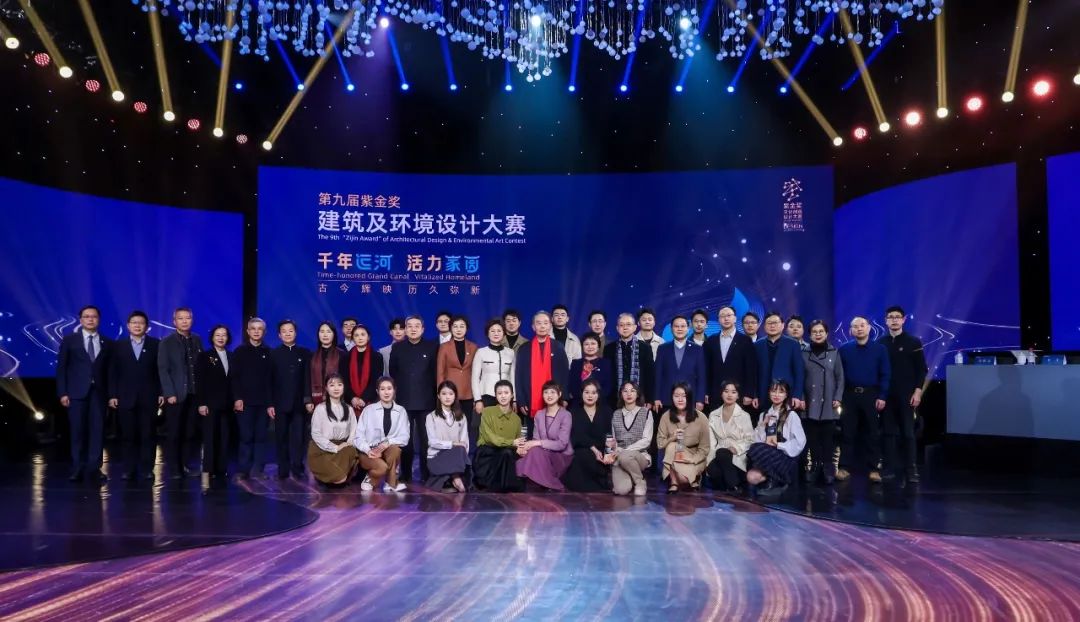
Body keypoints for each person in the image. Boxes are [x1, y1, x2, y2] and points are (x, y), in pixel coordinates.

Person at [57, 305, 111, 482]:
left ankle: (95, 468)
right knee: (77, 431)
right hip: (76, 392)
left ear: (99, 320)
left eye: (93, 316)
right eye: (86, 317)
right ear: (80, 320)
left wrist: (112, 394)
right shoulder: (69, 340)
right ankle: (77, 468)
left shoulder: (107, 342)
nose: (90, 319)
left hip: (99, 393)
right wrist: (63, 392)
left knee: (98, 431)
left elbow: (110, 371)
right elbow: (62, 368)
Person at [108, 310, 162, 481]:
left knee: (148, 435)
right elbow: (112, 372)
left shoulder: (156, 344)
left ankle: (147, 469)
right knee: (127, 436)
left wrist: (161, 392)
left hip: (149, 397)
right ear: (128, 325)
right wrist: (112, 394)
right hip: (125, 397)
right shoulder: (118, 346)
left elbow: (161, 371)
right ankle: (128, 469)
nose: (137, 325)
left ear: (147, 326)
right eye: (134, 322)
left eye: (141, 323)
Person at [837, 317, 891, 483]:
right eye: (855, 326)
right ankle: (844, 467)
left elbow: (885, 374)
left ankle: (874, 469)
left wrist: (882, 396)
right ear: (850, 330)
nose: (859, 329)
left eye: (862, 325)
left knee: (872, 433)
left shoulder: (880, 349)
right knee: (847, 432)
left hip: (871, 395)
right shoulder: (844, 349)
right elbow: (838, 375)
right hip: (849, 395)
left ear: (869, 328)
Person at [879, 306, 928, 483]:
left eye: (897, 317)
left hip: (907, 395)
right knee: (888, 433)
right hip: (886, 395)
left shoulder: (913, 342)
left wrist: (918, 392)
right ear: (886, 320)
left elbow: (921, 369)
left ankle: (911, 469)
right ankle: (888, 468)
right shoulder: (880, 343)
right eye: (890, 317)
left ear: (903, 320)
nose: (894, 320)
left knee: (908, 433)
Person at [389, 314, 439, 481]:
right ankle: (406, 474)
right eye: (409, 326)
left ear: (423, 329)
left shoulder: (432, 347)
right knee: (406, 440)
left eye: (417, 326)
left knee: (426, 440)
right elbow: (393, 372)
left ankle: (426, 474)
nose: (413, 329)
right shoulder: (397, 348)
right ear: (405, 329)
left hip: (426, 401)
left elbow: (435, 373)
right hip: (404, 400)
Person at [157, 307, 203, 479]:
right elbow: (163, 369)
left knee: (189, 432)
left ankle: (184, 465)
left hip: (193, 394)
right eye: (180, 318)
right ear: (174, 321)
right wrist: (169, 393)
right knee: (174, 433)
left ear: (192, 320)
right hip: (175, 395)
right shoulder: (167, 342)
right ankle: (174, 468)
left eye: (187, 318)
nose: (184, 321)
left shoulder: (196, 339)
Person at [802, 320, 844, 485]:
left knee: (828, 438)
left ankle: (828, 468)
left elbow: (840, 378)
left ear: (826, 333)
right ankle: (815, 466)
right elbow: (800, 377)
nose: (818, 334)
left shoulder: (834, 352)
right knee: (812, 437)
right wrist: (801, 398)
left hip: (828, 400)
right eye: (814, 332)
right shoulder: (803, 353)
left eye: (821, 331)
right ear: (810, 335)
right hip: (809, 400)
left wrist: (838, 397)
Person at [270, 320, 313, 480]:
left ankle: (297, 467)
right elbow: (269, 380)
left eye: (290, 331)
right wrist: (270, 403)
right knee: (281, 438)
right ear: (279, 335)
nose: (287, 334)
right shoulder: (274, 354)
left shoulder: (305, 353)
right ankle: (283, 468)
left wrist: (307, 399)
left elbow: (308, 378)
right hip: (280, 403)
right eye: (284, 331)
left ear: (295, 333)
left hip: (299, 404)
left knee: (298, 438)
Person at [746, 380, 806, 495]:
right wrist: (763, 424)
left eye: (781, 392)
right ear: (769, 393)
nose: (777, 395)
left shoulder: (791, 415)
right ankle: (772, 478)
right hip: (768, 455)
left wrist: (779, 445)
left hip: (785, 456)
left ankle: (777, 480)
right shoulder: (764, 414)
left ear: (786, 395)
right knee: (751, 476)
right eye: (774, 391)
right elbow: (756, 440)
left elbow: (800, 442)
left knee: (756, 449)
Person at [232, 317, 274, 479]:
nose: (256, 332)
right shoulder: (240, 352)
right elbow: (234, 377)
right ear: (248, 331)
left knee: (261, 437)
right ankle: (244, 469)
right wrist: (237, 398)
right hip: (245, 403)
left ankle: (258, 470)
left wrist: (270, 403)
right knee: (246, 436)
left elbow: (271, 380)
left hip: (263, 403)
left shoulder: (269, 352)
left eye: (259, 329)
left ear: (264, 332)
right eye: (253, 329)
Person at [512, 311, 570, 425]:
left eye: (545, 323)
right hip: (530, 400)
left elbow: (565, 374)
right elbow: (519, 376)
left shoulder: (558, 347)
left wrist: (564, 397)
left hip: (555, 400)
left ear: (550, 326)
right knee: (532, 433)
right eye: (538, 323)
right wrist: (521, 400)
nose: (542, 326)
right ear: (533, 327)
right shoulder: (524, 349)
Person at [354, 377, 410, 492]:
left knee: (395, 450)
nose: (386, 392)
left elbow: (405, 437)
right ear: (377, 391)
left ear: (394, 390)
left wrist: (388, 443)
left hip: (386, 450)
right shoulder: (369, 410)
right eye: (382, 389)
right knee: (382, 468)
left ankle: (390, 483)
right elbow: (358, 437)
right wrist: (367, 450)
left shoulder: (401, 411)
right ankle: (370, 478)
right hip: (368, 451)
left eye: (389, 388)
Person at [515, 381, 573, 490]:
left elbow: (562, 444)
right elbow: (536, 439)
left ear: (559, 394)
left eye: (552, 392)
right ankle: (539, 483)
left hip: (561, 456)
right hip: (543, 454)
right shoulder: (539, 414)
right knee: (532, 451)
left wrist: (537, 443)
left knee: (534, 452)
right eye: (546, 392)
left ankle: (553, 484)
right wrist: (525, 449)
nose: (549, 395)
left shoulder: (566, 415)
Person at [560, 379, 613, 492]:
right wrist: (593, 448)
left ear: (598, 395)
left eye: (593, 392)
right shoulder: (573, 412)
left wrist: (608, 453)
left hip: (602, 453)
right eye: (587, 392)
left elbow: (610, 435)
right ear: (582, 393)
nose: (590, 396)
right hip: (581, 451)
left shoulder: (607, 411)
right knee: (581, 457)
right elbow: (575, 437)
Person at [656, 382, 710, 492]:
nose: (680, 400)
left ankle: (687, 478)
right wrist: (672, 437)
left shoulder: (701, 418)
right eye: (676, 396)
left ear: (689, 397)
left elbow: (704, 448)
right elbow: (660, 444)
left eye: (684, 396)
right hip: (674, 457)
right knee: (672, 445)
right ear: (672, 397)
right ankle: (674, 483)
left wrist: (692, 459)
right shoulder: (666, 417)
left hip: (694, 457)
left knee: (683, 480)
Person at [473, 380, 525, 492]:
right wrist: (511, 442)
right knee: (506, 453)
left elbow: (518, 441)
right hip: (487, 454)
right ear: (496, 396)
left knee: (508, 453)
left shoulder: (516, 419)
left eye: (506, 393)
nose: (503, 396)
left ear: (512, 395)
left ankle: (503, 486)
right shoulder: (487, 412)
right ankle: (496, 485)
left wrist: (520, 448)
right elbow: (489, 438)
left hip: (506, 454)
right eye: (499, 393)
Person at [704, 306, 758, 412]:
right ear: (718, 320)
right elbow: (706, 369)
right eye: (722, 316)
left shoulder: (745, 341)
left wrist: (749, 393)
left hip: (738, 393)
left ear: (735, 318)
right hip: (715, 393)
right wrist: (705, 391)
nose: (726, 318)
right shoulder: (711, 341)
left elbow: (751, 369)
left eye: (729, 315)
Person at [195, 325, 233, 480]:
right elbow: (200, 381)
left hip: (227, 404)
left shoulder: (231, 355)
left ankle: (221, 468)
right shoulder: (204, 356)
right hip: (210, 404)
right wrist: (201, 403)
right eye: (218, 335)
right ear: (212, 338)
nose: (221, 338)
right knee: (210, 437)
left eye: (224, 335)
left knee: (224, 437)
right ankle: (209, 468)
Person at [307, 374, 359, 485]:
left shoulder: (349, 409)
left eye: (339, 385)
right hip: (322, 448)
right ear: (326, 388)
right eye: (332, 385)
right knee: (339, 479)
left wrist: (347, 443)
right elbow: (316, 434)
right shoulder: (320, 408)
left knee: (350, 451)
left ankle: (337, 476)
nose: (336, 388)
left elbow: (354, 431)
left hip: (342, 447)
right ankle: (325, 476)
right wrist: (334, 447)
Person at [752, 312, 806, 420]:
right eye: (769, 323)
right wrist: (755, 395)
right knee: (764, 425)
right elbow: (754, 373)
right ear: (764, 326)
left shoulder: (793, 344)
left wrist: (797, 395)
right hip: (764, 395)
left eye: (775, 323)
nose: (772, 326)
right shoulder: (758, 345)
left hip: (786, 395)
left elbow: (799, 373)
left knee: (785, 426)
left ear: (782, 325)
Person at [705, 381, 754, 493]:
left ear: (738, 395)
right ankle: (734, 485)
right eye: (726, 391)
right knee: (712, 468)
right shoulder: (713, 415)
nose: (729, 395)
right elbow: (711, 443)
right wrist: (708, 462)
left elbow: (750, 440)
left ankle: (733, 486)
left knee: (723, 453)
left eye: (733, 392)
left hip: (738, 456)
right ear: (721, 394)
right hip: (719, 455)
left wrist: (737, 448)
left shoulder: (744, 416)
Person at [607, 381, 653, 496]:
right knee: (621, 490)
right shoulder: (616, 414)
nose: (629, 394)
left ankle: (640, 482)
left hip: (639, 456)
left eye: (632, 391)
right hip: (620, 456)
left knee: (625, 456)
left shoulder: (646, 413)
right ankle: (631, 476)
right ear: (621, 394)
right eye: (625, 391)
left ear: (637, 394)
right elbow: (613, 440)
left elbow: (646, 440)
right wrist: (612, 449)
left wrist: (624, 450)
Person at [654, 315, 706, 414]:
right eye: (676, 326)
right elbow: (658, 375)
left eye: (683, 326)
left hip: (690, 399)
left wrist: (700, 399)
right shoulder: (662, 348)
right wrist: (656, 397)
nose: (679, 329)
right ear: (671, 329)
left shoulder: (697, 349)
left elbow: (701, 377)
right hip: (666, 399)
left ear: (688, 328)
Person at [425, 381, 470, 492]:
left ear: (455, 396)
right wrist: (452, 444)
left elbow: (465, 442)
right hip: (436, 457)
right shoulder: (431, 417)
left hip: (456, 456)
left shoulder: (462, 417)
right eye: (444, 394)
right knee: (459, 448)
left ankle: (453, 477)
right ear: (438, 396)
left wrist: (460, 455)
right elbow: (432, 442)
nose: (447, 397)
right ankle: (456, 477)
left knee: (461, 449)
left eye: (451, 394)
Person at [604, 313, 656, 405]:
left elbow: (650, 375)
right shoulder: (609, 348)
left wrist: (649, 400)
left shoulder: (645, 348)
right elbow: (607, 376)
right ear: (617, 328)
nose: (625, 328)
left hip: (640, 399)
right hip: (615, 400)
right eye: (621, 325)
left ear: (635, 327)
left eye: (628, 324)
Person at [437, 315, 478, 417]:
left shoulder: (473, 347)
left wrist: (477, 396)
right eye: (455, 326)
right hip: (450, 392)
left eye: (462, 326)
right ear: (451, 328)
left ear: (467, 328)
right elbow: (440, 372)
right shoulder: (444, 347)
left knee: (467, 422)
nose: (458, 329)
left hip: (468, 392)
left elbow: (476, 372)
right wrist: (442, 392)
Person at [343, 324, 385, 413]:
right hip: (350, 402)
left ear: (368, 337)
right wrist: (352, 398)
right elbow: (344, 381)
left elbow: (376, 380)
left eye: (363, 334)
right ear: (353, 338)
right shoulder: (345, 357)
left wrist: (364, 399)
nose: (360, 338)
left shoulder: (377, 357)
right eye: (356, 335)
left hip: (371, 401)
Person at [567, 332, 612, 405]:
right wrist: (584, 399)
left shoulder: (606, 363)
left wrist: (594, 398)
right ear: (582, 346)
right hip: (579, 403)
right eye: (586, 344)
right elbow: (572, 386)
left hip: (600, 403)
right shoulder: (576, 363)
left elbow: (608, 387)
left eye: (593, 344)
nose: (590, 347)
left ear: (598, 346)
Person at [310, 322, 344, 406]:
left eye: (328, 331)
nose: (325, 335)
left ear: (334, 334)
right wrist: (308, 400)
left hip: (338, 399)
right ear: (318, 335)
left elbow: (345, 379)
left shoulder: (342, 354)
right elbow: (307, 379)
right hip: (315, 400)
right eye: (322, 332)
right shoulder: (311, 355)